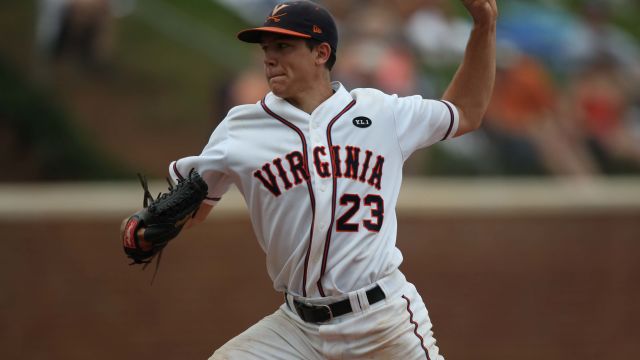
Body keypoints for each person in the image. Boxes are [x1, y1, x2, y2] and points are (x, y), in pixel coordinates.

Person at [151, 1, 496, 358]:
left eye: (283, 46)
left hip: (380, 321)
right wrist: (151, 226)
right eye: (266, 47)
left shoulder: (381, 113)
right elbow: (193, 209)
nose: (269, 57)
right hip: (295, 328)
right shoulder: (240, 127)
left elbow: (466, 112)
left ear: (321, 53)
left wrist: (483, 27)